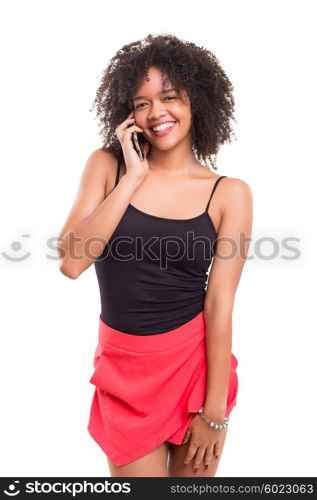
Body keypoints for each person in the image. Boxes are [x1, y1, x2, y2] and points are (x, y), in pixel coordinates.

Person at [57, 33, 253, 477]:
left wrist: (214, 411)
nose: (156, 113)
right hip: (124, 371)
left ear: (196, 102)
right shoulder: (107, 167)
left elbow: (220, 304)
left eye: (169, 97)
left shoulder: (229, 194)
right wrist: (131, 179)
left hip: (195, 368)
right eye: (142, 102)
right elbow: (71, 262)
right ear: (128, 111)